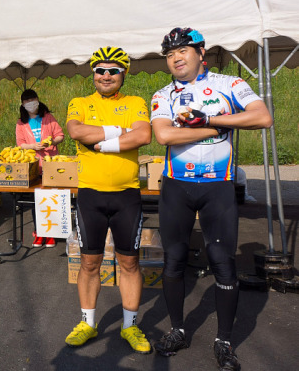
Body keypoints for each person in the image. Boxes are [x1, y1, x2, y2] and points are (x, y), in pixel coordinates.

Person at [150, 28, 272, 370]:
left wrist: (210, 118)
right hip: (177, 186)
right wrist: (218, 127)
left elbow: (262, 117)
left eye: (183, 51)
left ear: (200, 52)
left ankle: (224, 341)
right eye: (170, 53)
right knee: (173, 261)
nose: (176, 57)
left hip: (218, 186)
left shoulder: (228, 84)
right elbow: (164, 134)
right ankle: (177, 330)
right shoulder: (162, 94)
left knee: (223, 261)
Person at [64, 47, 153, 354]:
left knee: (129, 263)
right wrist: (120, 133)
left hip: (127, 195)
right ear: (93, 74)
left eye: (113, 71)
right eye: (100, 70)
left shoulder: (136, 102)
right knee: (89, 263)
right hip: (90, 195)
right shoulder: (80, 103)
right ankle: (88, 323)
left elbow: (143, 136)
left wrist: (101, 141)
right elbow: (76, 131)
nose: (106, 76)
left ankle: (130, 326)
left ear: (123, 75)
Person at [15, 89, 64, 248]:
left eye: (33, 99)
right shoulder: (21, 122)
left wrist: (51, 142)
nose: (30, 103)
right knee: (37, 201)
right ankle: (39, 232)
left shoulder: (48, 117)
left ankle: (51, 233)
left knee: (52, 199)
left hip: (51, 165)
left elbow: (60, 135)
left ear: (37, 99)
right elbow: (20, 143)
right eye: (26, 101)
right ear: (23, 104)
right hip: (33, 167)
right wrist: (32, 146)